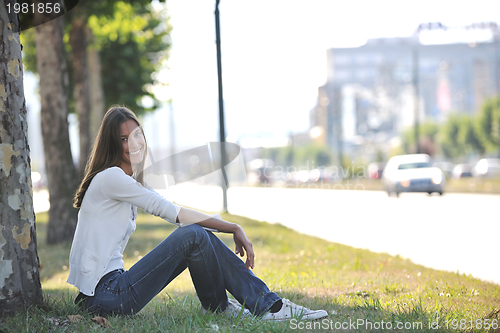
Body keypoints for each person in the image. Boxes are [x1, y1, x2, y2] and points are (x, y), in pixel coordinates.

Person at [68, 106, 328, 321]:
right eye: (123, 139)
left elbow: (170, 205)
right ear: (112, 144)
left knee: (197, 236)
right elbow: (172, 212)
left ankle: (223, 307)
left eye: (137, 135)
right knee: (193, 234)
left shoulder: (125, 181)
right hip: (106, 294)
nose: (133, 144)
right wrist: (232, 227)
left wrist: (224, 225)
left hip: (105, 292)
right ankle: (267, 306)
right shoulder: (112, 177)